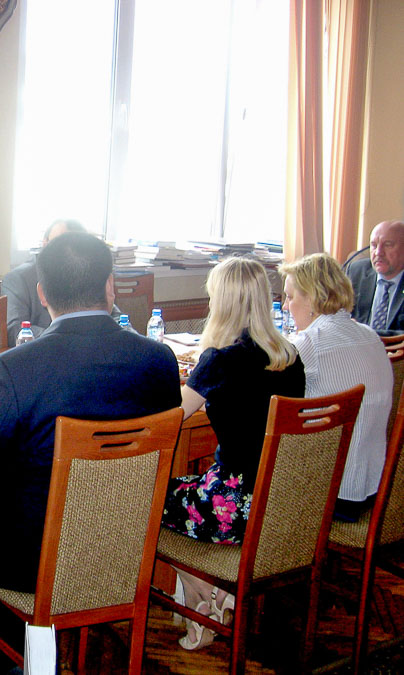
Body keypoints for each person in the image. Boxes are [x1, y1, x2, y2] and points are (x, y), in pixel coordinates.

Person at [0, 232, 181, 668]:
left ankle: (25, 650)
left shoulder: (14, 368)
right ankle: (37, 650)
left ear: (42, 294)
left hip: (32, 557)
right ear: (110, 285)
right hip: (126, 541)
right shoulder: (158, 359)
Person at [160, 257, 305, 651]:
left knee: (146, 497)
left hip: (234, 507)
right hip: (279, 504)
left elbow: (171, 417)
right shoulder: (290, 357)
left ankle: (202, 597)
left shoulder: (220, 361)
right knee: (185, 485)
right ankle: (217, 594)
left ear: (221, 303)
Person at [281, 253, 392, 521]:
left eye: (290, 297)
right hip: (374, 487)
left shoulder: (309, 343)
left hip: (331, 494)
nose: (285, 306)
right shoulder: (370, 336)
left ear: (311, 298)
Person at [2, 219, 132, 345]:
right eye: (59, 244)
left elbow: (117, 317)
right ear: (45, 244)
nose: (67, 253)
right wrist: (66, 338)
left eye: (77, 246)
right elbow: (15, 329)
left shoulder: (88, 271)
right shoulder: (19, 278)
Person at [348, 220, 404, 333]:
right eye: (374, 245)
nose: (378, 252)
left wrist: (368, 334)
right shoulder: (357, 271)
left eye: (388, 245)